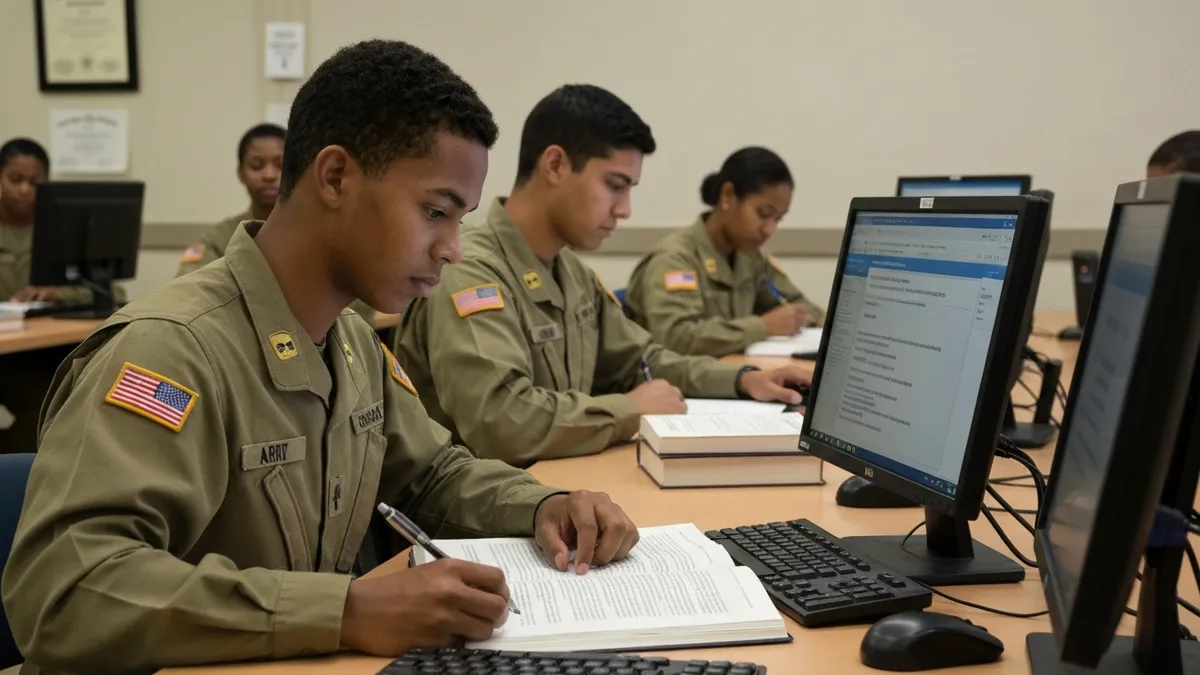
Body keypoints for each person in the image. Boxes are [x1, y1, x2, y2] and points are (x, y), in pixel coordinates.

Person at [2, 40, 639, 675]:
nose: (451, 249)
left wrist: (540, 504)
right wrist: (343, 612)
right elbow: (67, 594)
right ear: (335, 177)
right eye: (435, 211)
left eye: (461, 220)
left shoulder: (354, 341)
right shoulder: (169, 352)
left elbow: (432, 473)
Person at [393, 85, 812, 468]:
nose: (625, 209)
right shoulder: (471, 273)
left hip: (555, 496)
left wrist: (744, 380)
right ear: (555, 165)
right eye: (615, 185)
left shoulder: (572, 273)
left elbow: (644, 361)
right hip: (476, 529)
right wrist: (629, 410)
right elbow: (503, 422)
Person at [625, 147, 825, 357]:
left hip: (727, 376)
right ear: (728, 195)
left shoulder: (751, 257)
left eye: (778, 219)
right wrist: (763, 327)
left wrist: (805, 318)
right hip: (672, 385)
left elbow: (798, 304)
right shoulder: (675, 258)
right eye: (763, 214)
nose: (769, 229)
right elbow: (678, 339)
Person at [174, 123, 286, 277]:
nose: (269, 175)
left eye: (280, 165)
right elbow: (186, 288)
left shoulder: (314, 233)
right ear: (241, 174)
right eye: (256, 166)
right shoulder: (220, 239)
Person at [0, 138, 102, 304]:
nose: (24, 190)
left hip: (48, 326)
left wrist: (57, 294)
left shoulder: (63, 230)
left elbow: (110, 292)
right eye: (15, 179)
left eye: (35, 182)